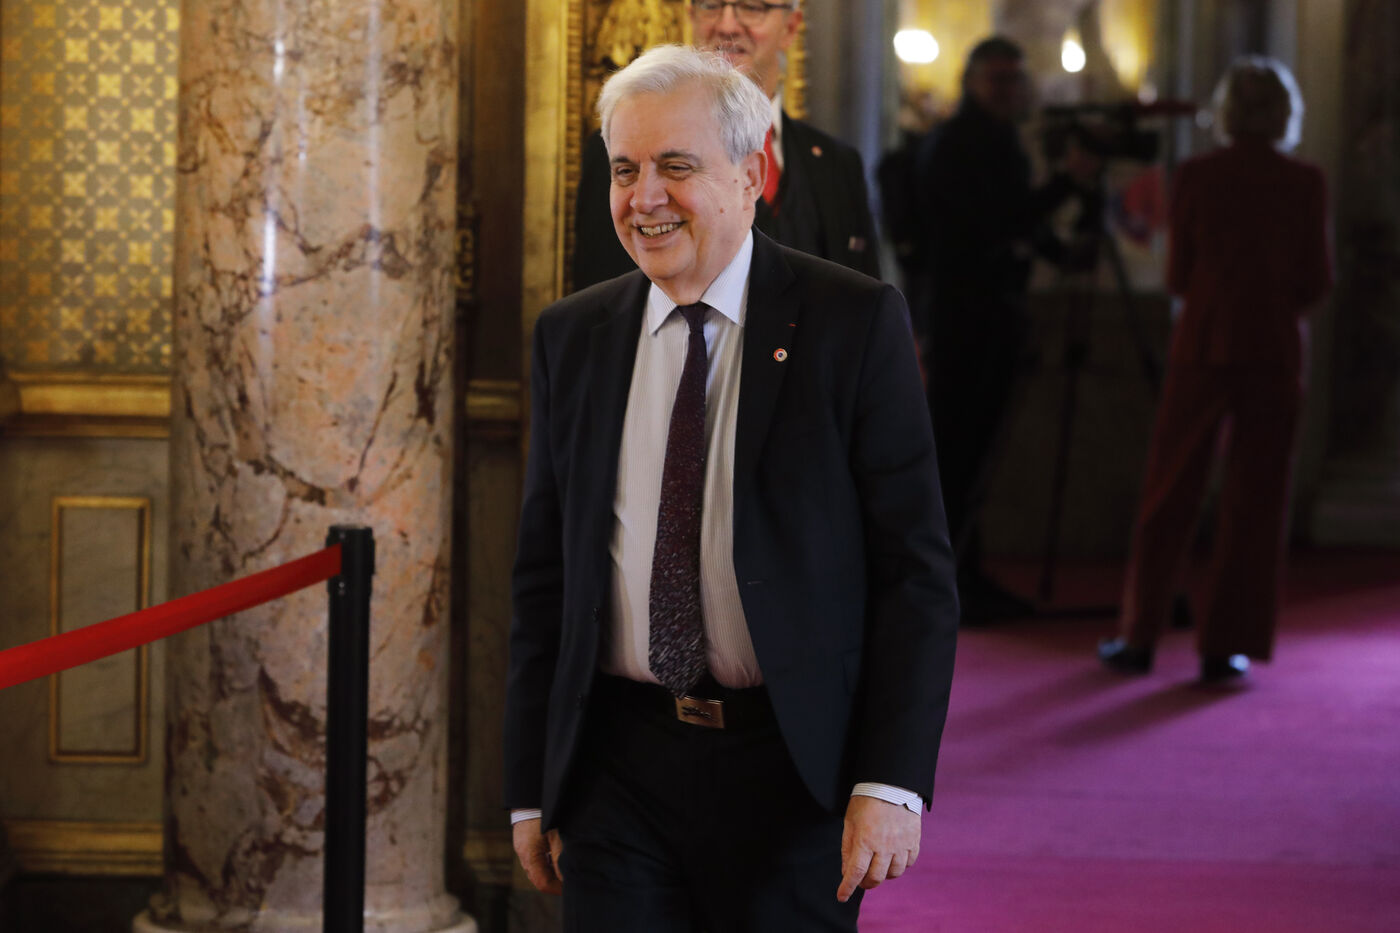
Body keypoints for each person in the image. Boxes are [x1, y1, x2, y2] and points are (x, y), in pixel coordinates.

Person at [505, 45, 958, 931]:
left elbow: (916, 573)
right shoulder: (573, 336)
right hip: (615, 767)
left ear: (750, 176)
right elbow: (543, 580)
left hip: (792, 765)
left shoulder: (852, 322)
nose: (645, 197)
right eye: (625, 169)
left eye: (676, 167)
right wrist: (531, 783)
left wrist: (891, 779)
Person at [1099, 56, 1331, 682]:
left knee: (1170, 490)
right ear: (1285, 112)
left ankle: (1140, 634)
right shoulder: (1305, 181)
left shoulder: (1199, 175)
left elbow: (1178, 274)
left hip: (1204, 341)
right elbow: (1316, 279)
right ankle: (1227, 644)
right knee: (1257, 500)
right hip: (1274, 347)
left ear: (1228, 110)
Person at [914, 37, 1096, 621]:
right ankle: (950, 580)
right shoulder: (957, 143)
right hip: (966, 317)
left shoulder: (999, 141)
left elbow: (1014, 218)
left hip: (989, 312)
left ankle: (964, 572)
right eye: (996, 79)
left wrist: (1060, 251)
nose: (1007, 90)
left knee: (973, 448)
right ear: (970, 82)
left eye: (1014, 79)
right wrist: (1067, 183)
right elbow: (995, 219)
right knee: (959, 448)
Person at [571, 0, 881, 290]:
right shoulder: (620, 156)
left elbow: (862, 302)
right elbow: (605, 306)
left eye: (751, 7)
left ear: (790, 27)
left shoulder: (838, 165)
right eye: (712, 5)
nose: (727, 25)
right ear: (691, 18)